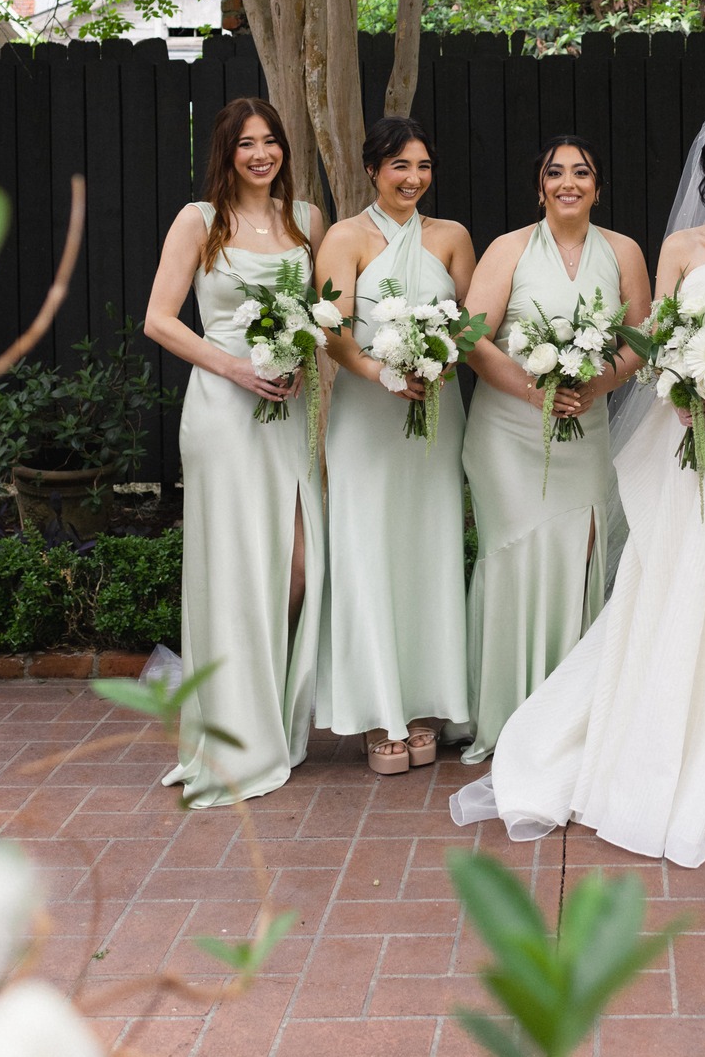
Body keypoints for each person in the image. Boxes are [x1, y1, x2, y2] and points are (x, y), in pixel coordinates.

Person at [450, 103, 705, 868]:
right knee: (677, 579)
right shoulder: (676, 246)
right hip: (690, 431)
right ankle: (661, 742)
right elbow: (657, 336)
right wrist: (685, 393)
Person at [145, 98, 326, 808]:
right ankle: (232, 735)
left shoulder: (306, 220)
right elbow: (160, 319)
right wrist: (235, 368)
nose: (261, 154)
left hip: (288, 409)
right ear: (227, 152)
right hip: (223, 408)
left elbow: (321, 317)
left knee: (299, 567)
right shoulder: (200, 221)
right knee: (233, 566)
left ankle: (265, 715)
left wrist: (299, 363)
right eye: (247, 143)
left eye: (271, 141)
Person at [459, 137, 650, 763]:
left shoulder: (623, 251)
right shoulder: (507, 249)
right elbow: (471, 337)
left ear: (598, 186)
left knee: (581, 550)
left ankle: (569, 714)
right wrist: (532, 393)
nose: (569, 182)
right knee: (517, 557)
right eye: (556, 173)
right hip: (508, 433)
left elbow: (640, 340)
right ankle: (508, 714)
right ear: (540, 187)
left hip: (584, 425)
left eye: (582, 172)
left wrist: (594, 384)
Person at [314, 116, 475, 775]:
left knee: (428, 549)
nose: (413, 179)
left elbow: (473, 321)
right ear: (373, 170)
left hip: (436, 414)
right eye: (400, 166)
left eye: (423, 166)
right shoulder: (344, 237)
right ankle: (378, 710)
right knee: (369, 549)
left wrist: (440, 360)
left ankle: (427, 704)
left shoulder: (453, 238)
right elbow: (332, 329)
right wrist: (385, 371)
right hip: (366, 415)